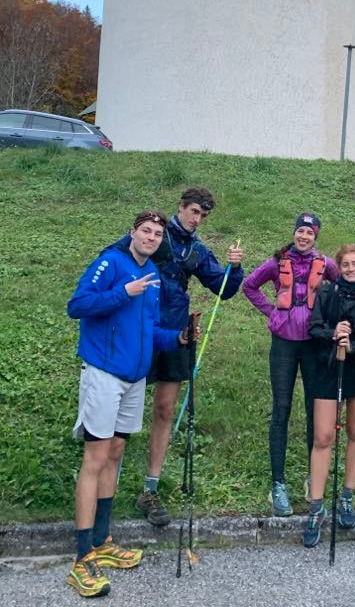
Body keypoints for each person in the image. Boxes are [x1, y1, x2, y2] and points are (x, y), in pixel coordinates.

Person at [66, 210, 196, 598]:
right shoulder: (111, 262)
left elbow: (149, 330)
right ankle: (81, 557)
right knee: (96, 456)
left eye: (157, 234)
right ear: (133, 233)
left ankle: (103, 541)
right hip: (104, 373)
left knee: (117, 451)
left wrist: (178, 339)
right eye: (146, 231)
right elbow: (78, 305)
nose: (152, 238)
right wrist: (123, 292)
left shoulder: (153, 276)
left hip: (134, 378)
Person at [129, 186, 244, 526]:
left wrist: (233, 268)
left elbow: (224, 289)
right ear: (181, 207)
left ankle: (150, 488)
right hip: (138, 327)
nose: (197, 219)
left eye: (204, 215)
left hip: (176, 331)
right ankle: (105, 474)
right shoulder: (153, 236)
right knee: (125, 403)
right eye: (194, 211)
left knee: (164, 408)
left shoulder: (197, 250)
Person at [243, 212, 338, 516]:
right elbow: (249, 286)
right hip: (283, 343)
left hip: (314, 344)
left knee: (314, 411)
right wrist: (271, 312)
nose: (303, 237)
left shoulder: (327, 264)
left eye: (309, 233)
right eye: (300, 231)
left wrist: (332, 320)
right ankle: (278, 484)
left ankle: (314, 479)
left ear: (316, 236)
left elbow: (342, 288)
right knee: (281, 410)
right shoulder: (277, 262)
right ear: (294, 233)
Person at [302, 244, 355, 547]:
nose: (350, 269)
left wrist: (351, 346)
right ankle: (317, 505)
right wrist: (334, 334)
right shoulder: (326, 292)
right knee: (323, 437)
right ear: (339, 268)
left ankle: (347, 496)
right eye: (345, 265)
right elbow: (314, 327)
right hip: (328, 370)